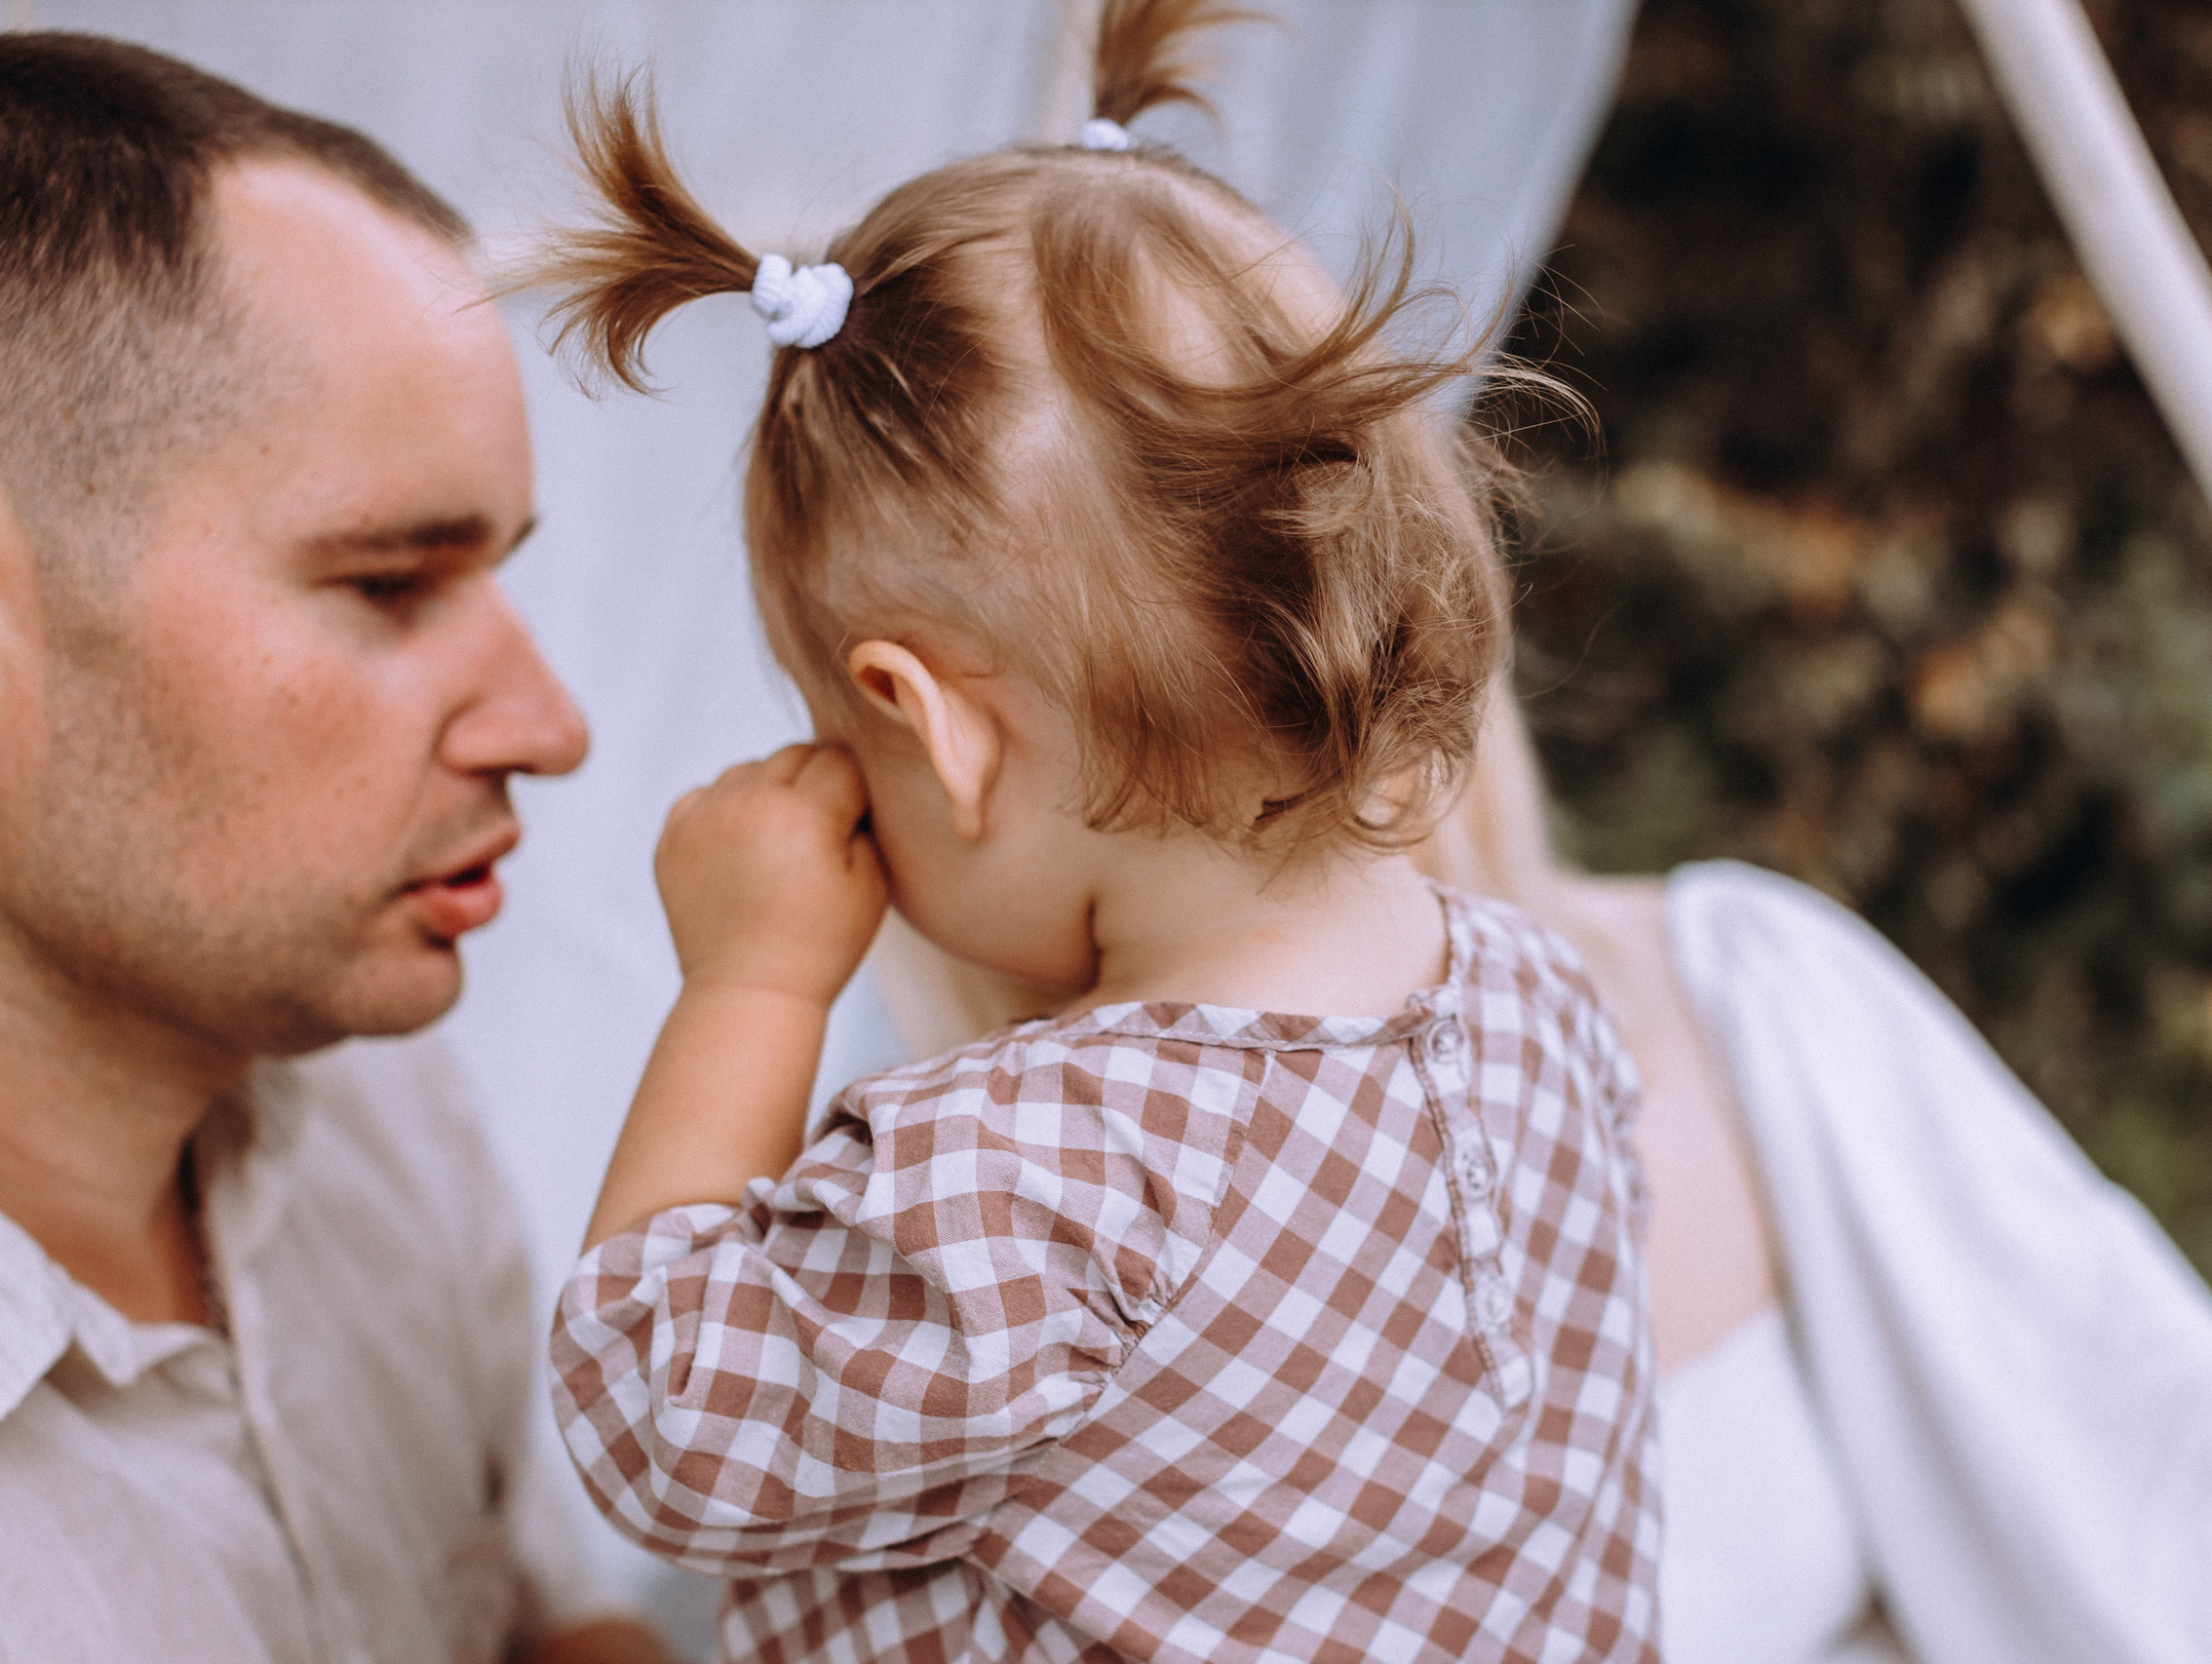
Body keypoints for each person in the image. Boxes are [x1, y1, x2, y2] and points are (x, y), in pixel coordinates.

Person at [530, 3, 1661, 1660]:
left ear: (931, 728)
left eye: (833, 733)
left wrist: (750, 986)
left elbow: (657, 1414)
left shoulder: (1041, 1180)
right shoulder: (1547, 1025)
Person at [0, 33, 675, 1664]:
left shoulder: (371, 1100)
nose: (548, 723)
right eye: (389, 583)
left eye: (498, 570)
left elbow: (543, 1627)